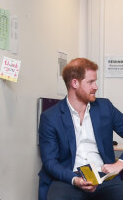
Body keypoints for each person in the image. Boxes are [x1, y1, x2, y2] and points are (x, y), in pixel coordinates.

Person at [38, 58, 123, 200]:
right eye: (90, 82)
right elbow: (50, 162)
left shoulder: (105, 107)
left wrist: (120, 163)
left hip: (103, 178)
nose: (96, 87)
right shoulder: (50, 117)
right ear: (75, 83)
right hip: (68, 178)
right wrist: (74, 179)